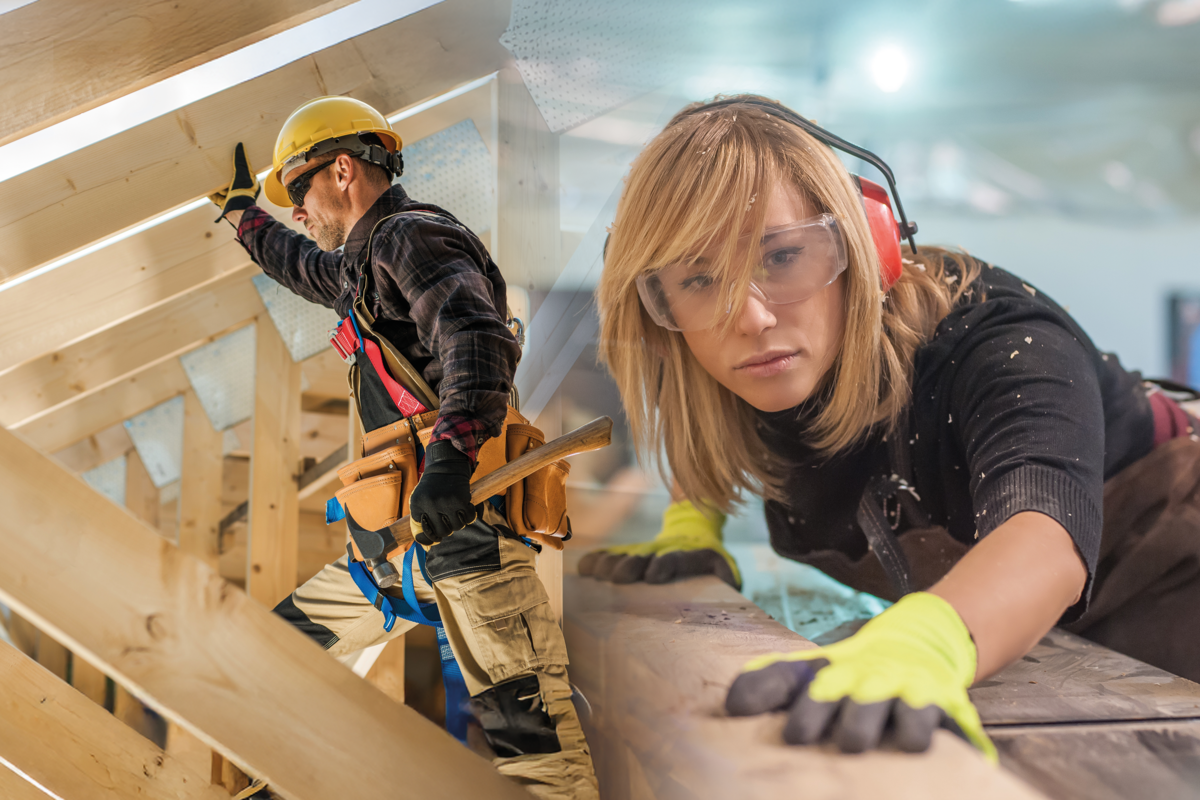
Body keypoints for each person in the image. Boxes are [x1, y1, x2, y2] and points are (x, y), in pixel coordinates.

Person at [586, 94, 1200, 760]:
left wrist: (925, 641)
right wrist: (691, 525)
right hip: (1025, 637)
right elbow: (706, 419)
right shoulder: (747, 362)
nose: (751, 317)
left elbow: (1044, 534)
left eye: (781, 258)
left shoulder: (998, 345)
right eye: (701, 278)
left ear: (862, 247)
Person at [209, 96, 597, 799]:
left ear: (343, 171)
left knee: (537, 759)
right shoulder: (360, 267)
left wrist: (449, 460)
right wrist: (244, 214)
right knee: (265, 655)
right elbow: (298, 263)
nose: (297, 210)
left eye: (298, 190)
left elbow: (475, 337)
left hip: (469, 543)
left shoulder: (410, 237)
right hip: (395, 553)